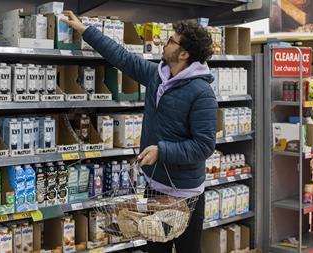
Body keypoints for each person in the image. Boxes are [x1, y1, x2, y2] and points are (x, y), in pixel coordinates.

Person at [63, 11, 218, 253]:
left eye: (171, 41)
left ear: (184, 54)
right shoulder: (159, 76)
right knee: (155, 250)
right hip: (154, 186)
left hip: (185, 196)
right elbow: (124, 59)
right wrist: (85, 30)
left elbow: (204, 146)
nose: (165, 43)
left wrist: (162, 151)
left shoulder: (202, 93)